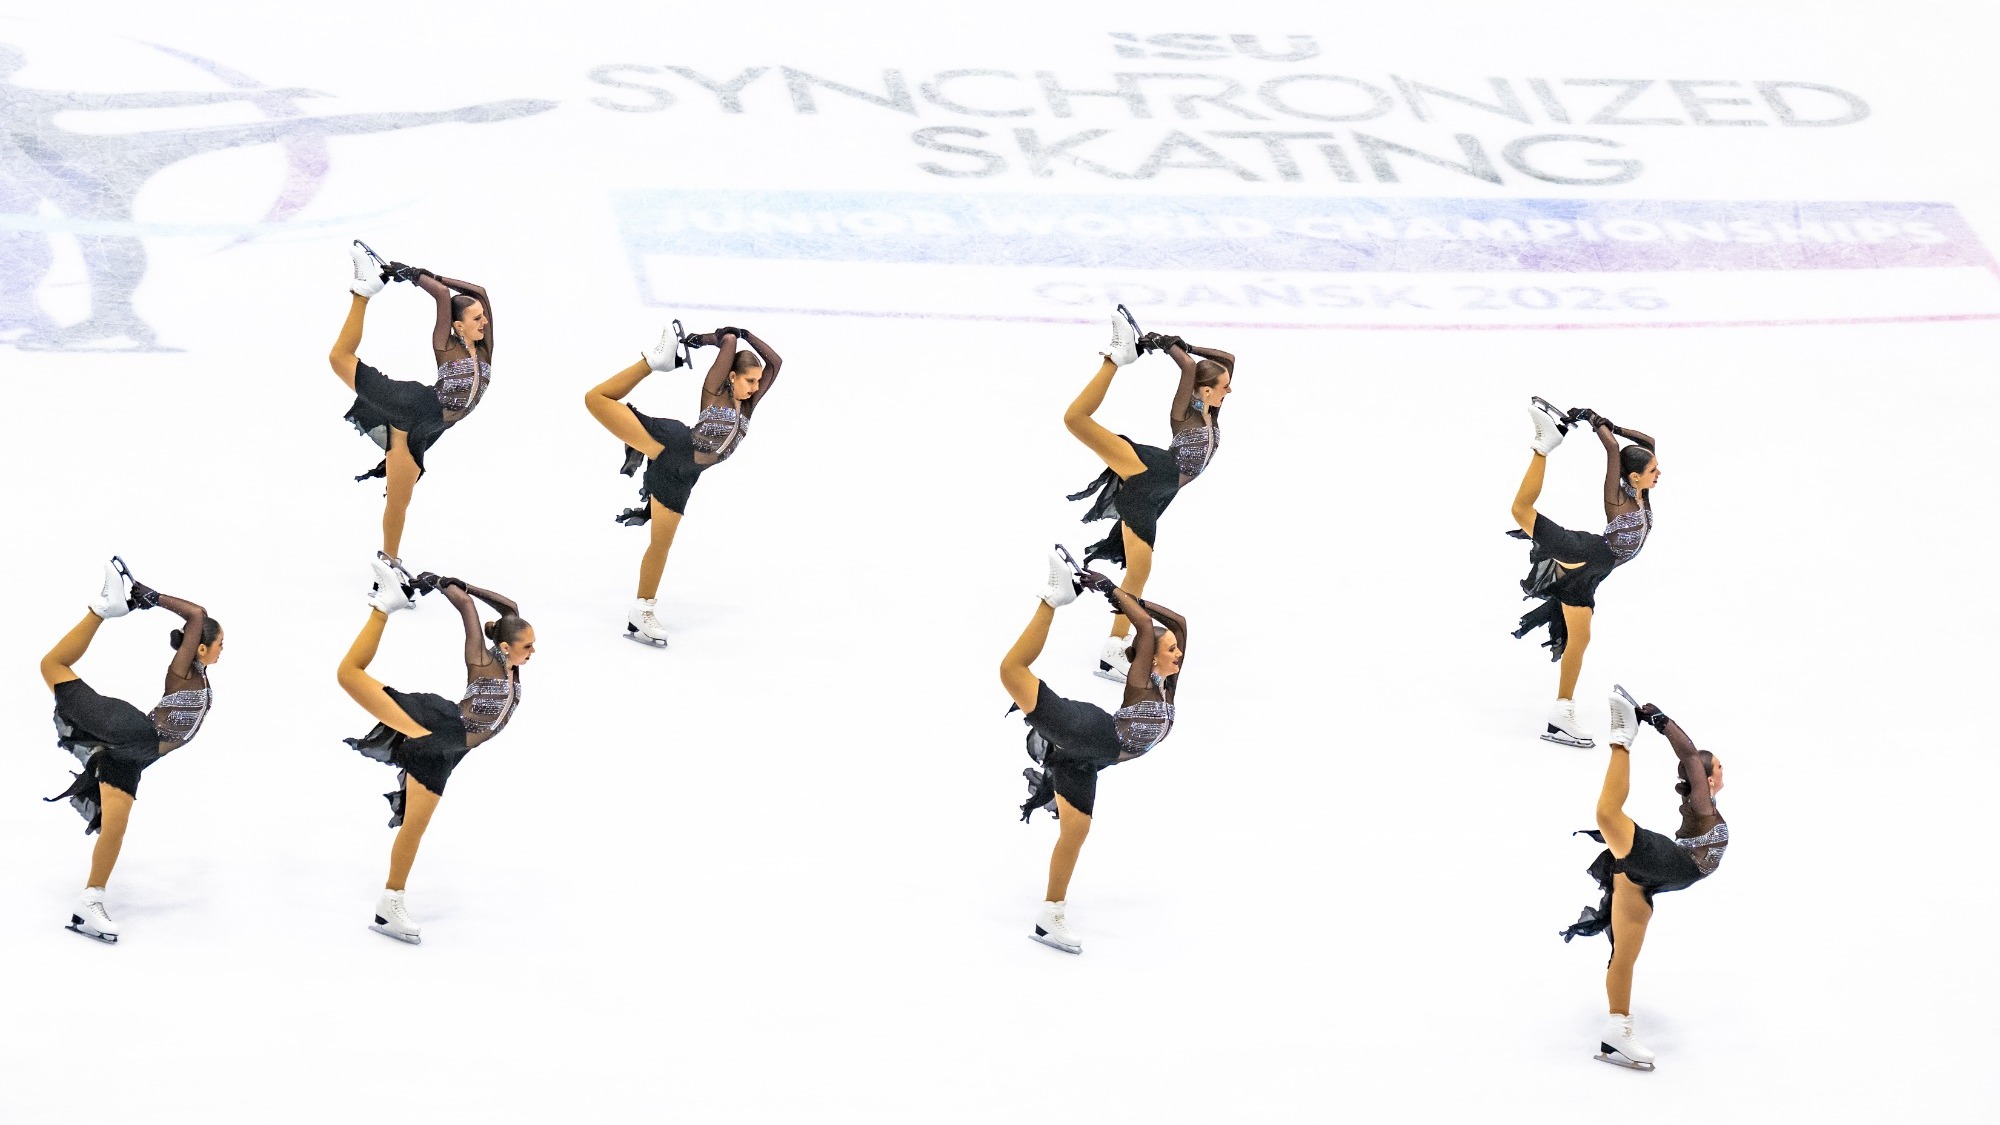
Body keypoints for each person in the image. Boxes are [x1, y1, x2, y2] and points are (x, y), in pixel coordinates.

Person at [999, 548, 1189, 954]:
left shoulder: (1166, 685)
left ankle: (1050, 916)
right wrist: (1112, 591)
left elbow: (1180, 623)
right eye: (1171, 649)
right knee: (1012, 671)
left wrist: (1132, 598)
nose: (1178, 653)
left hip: (1090, 759)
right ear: (1150, 657)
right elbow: (1143, 627)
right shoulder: (1141, 681)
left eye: (1177, 650)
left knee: (1076, 831)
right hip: (1088, 731)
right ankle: (1052, 598)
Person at [338, 556, 532, 944]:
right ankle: (384, 605)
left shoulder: (514, 666)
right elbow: (467, 609)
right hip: (437, 725)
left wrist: (467, 583)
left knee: (414, 828)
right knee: (349, 675)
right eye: (527, 646)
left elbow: (509, 607)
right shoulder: (482, 660)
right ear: (505, 647)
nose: (533, 652)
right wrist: (444, 585)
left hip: (448, 751)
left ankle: (390, 903)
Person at [40, 559, 221, 943]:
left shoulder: (201, 675)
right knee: (52, 665)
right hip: (131, 730)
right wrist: (152, 597)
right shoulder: (183, 671)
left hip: (135, 757)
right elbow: (197, 614)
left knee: (114, 829)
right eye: (221, 644)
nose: (224, 650)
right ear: (201, 648)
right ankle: (101, 608)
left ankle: (90, 902)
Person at [583, 323, 783, 646]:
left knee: (660, 544)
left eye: (758, 382)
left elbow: (776, 363)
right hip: (674, 445)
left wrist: (747, 334)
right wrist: (715, 339)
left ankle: (642, 610)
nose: (755, 387)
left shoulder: (748, 405)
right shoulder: (715, 391)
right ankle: (653, 361)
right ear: (732, 377)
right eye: (750, 380)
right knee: (595, 399)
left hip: (684, 476)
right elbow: (728, 341)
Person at [1560, 687, 1728, 1071]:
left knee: (1624, 954)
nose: (1722, 770)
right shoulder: (1702, 805)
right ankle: (1622, 738)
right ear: (1707, 780)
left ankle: (1617, 1030)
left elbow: (1692, 759)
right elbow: (1690, 755)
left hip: (1651, 878)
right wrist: (1662, 722)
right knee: (1608, 814)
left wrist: (1662, 722)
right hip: (1668, 862)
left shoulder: (1700, 805)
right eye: (1718, 766)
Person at [1065, 309, 1230, 681]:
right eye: (1223, 386)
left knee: (1139, 573)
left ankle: (1113, 650)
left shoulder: (1212, 413)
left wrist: (1188, 345)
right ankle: (1115, 358)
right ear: (1205, 391)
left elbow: (1227, 360)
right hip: (1150, 471)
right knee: (1075, 420)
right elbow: (1189, 368)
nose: (1229, 390)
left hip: (1158, 493)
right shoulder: (1185, 415)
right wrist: (1170, 347)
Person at [328, 241, 495, 561]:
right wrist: (415, 276)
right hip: (414, 404)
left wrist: (435, 275)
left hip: (427, 428)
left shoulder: (484, 347)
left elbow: (480, 292)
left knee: (399, 497)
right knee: (339, 359)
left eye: (483, 317)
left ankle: (389, 564)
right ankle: (362, 291)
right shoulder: (446, 346)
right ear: (458, 326)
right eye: (476, 319)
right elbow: (442, 296)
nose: (484, 321)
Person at [1508, 399, 1658, 746]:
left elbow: (1649, 442)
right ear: (1634, 476)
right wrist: (1594, 420)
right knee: (1521, 510)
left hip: (1592, 574)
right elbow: (1612, 450)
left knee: (1581, 638)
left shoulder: (1642, 494)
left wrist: (1615, 426)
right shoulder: (1618, 500)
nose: (1658, 473)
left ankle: (1561, 713)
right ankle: (1544, 444)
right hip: (1586, 553)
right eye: (1653, 470)